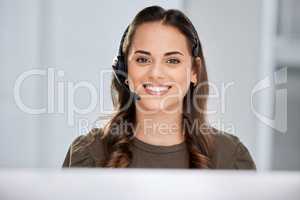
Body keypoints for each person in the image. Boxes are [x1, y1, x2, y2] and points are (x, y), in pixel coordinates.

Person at [62, 5, 256, 169]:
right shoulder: (88, 153)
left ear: (194, 71)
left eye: (172, 60)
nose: (156, 73)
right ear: (124, 70)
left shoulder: (230, 158)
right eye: (143, 59)